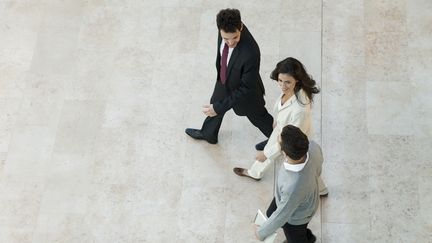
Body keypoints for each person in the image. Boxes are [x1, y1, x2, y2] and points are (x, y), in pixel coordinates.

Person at [232, 57, 328, 196]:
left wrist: (266, 155)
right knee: (270, 147)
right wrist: (277, 120)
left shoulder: (300, 109)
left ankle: (321, 190)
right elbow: (281, 105)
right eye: (280, 80)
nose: (282, 85)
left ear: (297, 80)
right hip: (283, 128)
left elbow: (291, 139)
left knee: (306, 167)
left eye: (287, 82)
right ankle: (255, 172)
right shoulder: (292, 90)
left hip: (295, 139)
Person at [185, 8, 273, 145]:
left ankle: (279, 141)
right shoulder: (224, 28)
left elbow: (246, 88)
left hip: (246, 92)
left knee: (259, 117)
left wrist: (219, 108)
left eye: (235, 37)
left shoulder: (251, 52)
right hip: (225, 78)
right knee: (214, 104)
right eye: (226, 38)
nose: (231, 42)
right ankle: (208, 134)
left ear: (241, 27)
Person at [254, 125, 321, 243]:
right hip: (302, 198)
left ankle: (306, 239)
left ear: (284, 154)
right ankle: (306, 236)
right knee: (271, 213)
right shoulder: (313, 147)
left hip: (296, 218)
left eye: (278, 141)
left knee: (295, 237)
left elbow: (282, 215)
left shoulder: (293, 186)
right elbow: (318, 170)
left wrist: (261, 233)